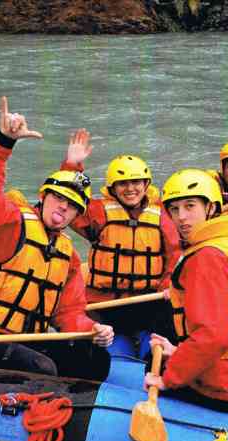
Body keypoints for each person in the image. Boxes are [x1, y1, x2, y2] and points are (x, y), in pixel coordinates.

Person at [0, 97, 114, 380]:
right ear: (43, 196)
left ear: (76, 215)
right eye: (58, 198)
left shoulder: (66, 254)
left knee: (95, 360)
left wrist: (91, 330)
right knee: (43, 369)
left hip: (22, 340)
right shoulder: (7, 224)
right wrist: (4, 143)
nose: (63, 207)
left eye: (71, 205)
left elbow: (69, 312)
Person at [144, 169, 228, 414]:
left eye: (190, 206)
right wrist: (179, 352)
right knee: (169, 351)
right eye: (174, 209)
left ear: (210, 208)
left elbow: (213, 336)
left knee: (152, 365)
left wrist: (168, 379)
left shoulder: (205, 257)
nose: (181, 218)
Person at [66, 130, 180, 358]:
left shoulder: (161, 216)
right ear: (112, 188)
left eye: (136, 182)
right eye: (123, 184)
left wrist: (167, 285)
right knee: (103, 352)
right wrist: (72, 166)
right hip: (104, 306)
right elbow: (69, 204)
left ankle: (151, 351)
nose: (130, 189)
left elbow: (173, 256)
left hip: (148, 302)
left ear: (146, 184)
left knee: (158, 344)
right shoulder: (98, 213)